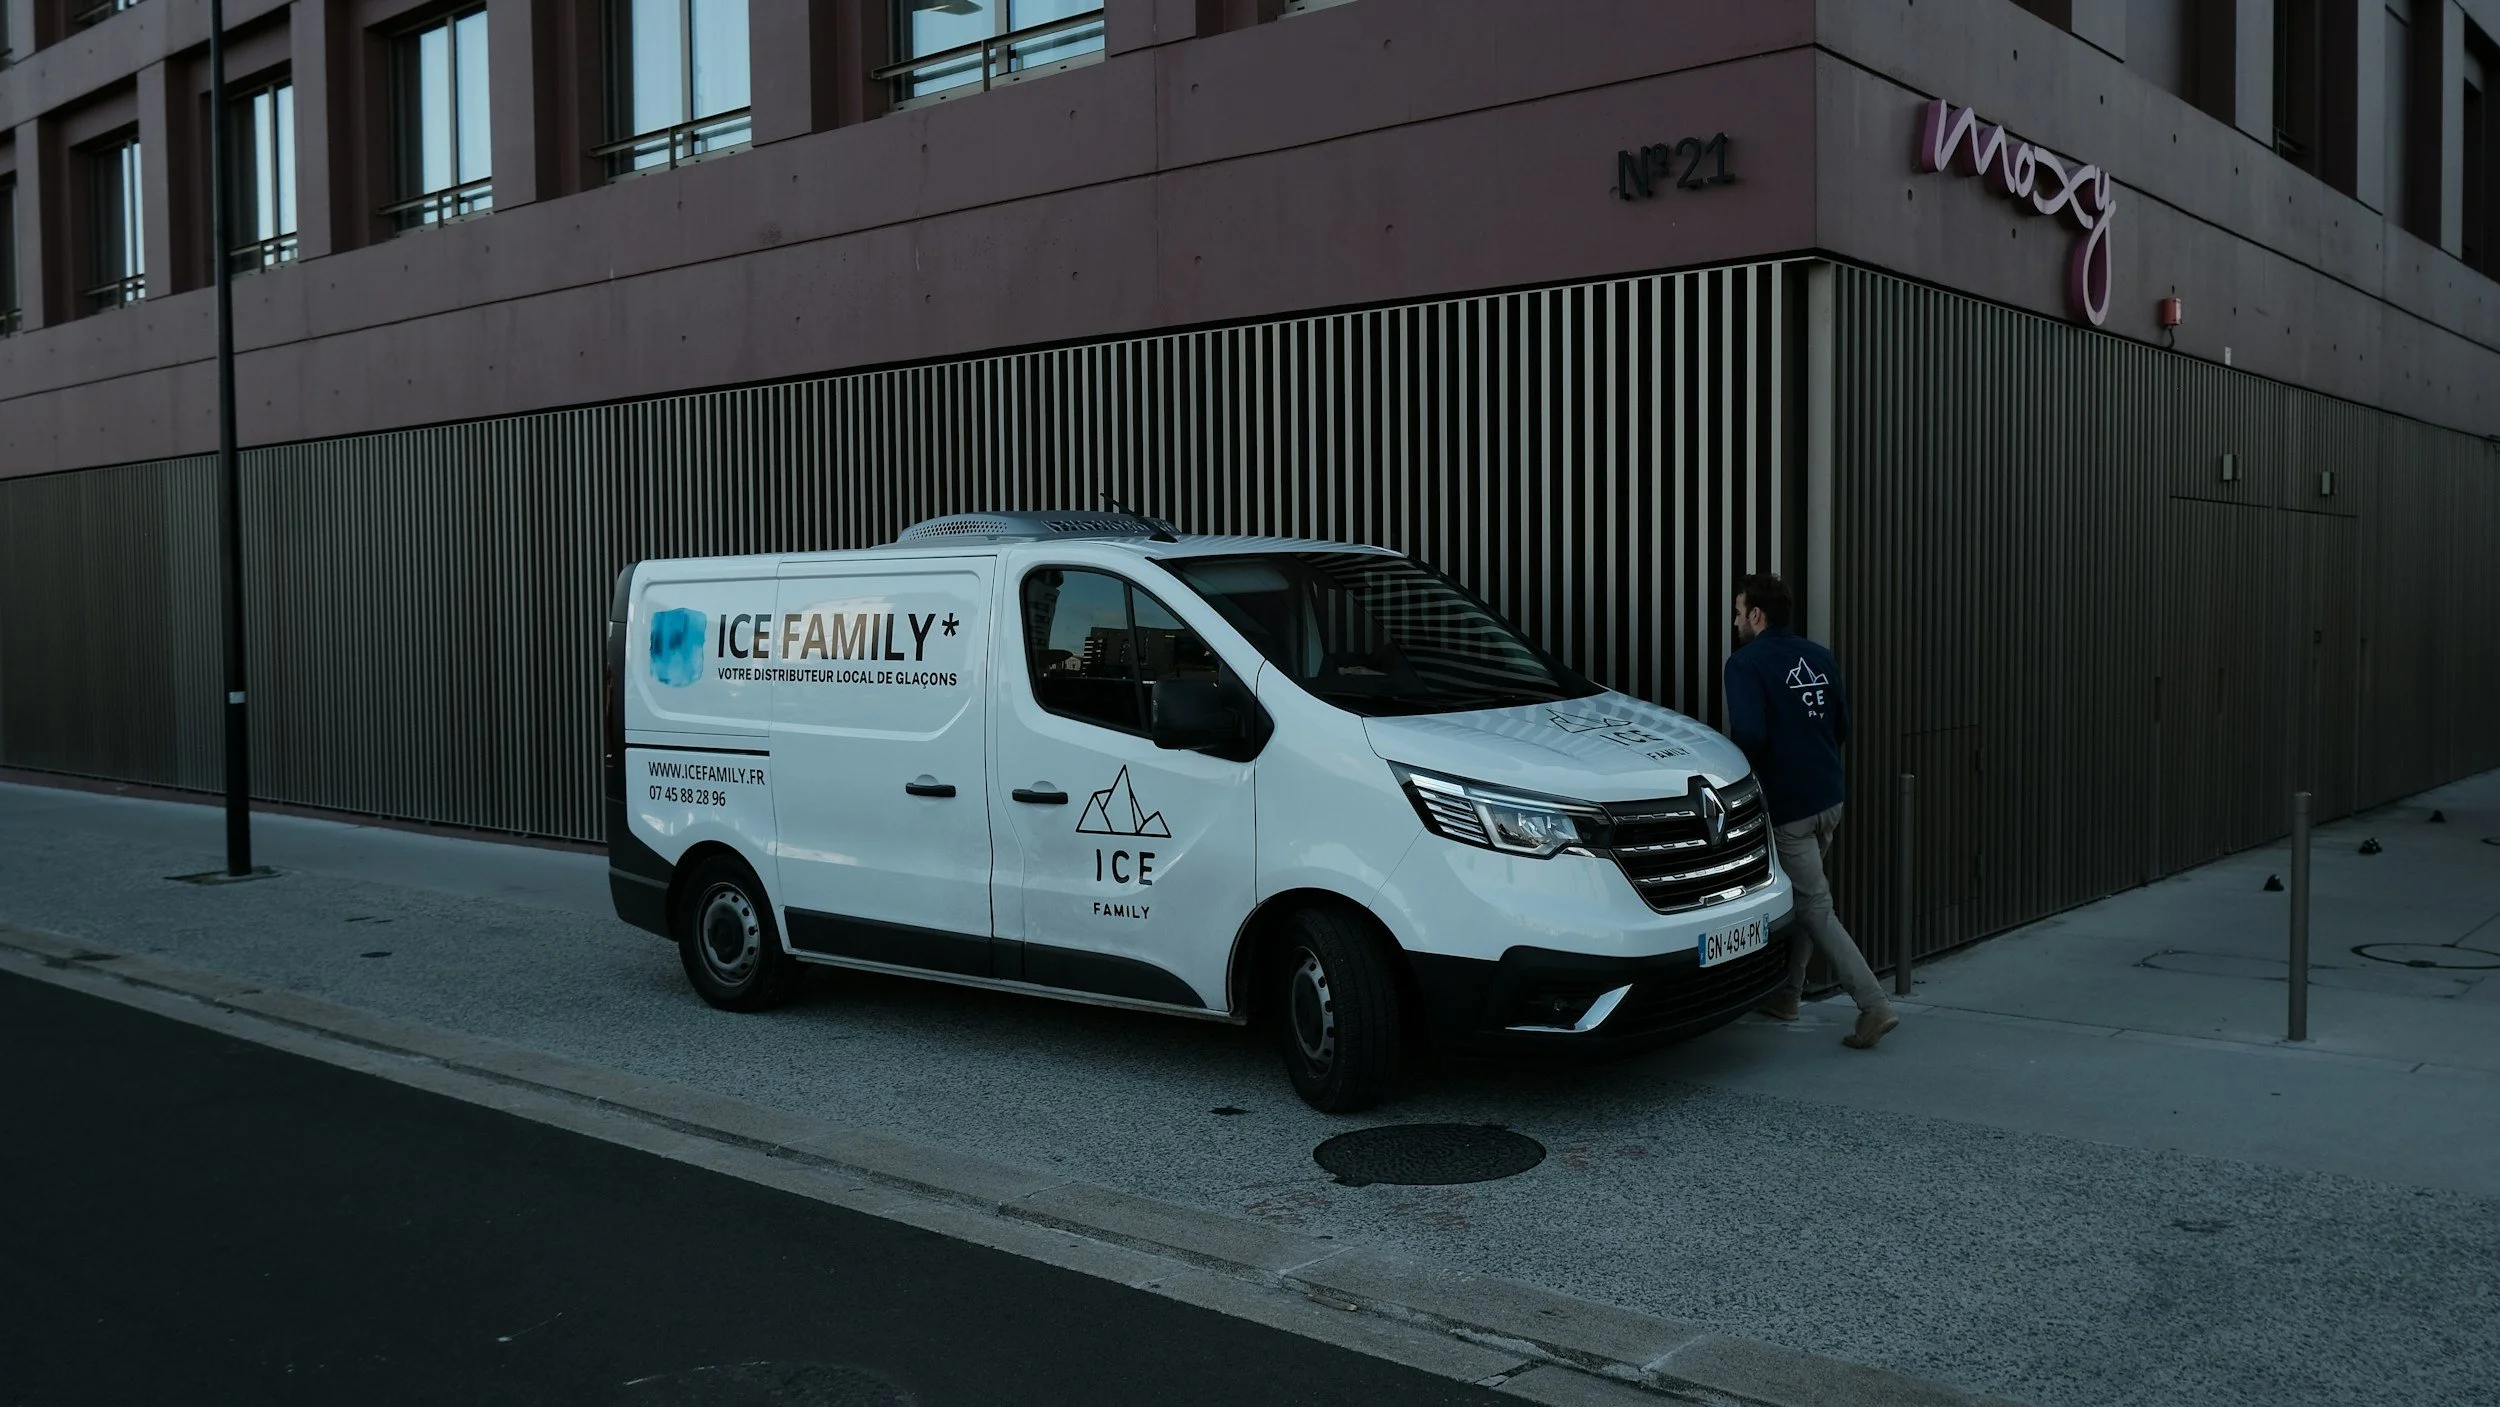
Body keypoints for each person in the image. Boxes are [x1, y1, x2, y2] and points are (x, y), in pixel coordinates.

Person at [1722, 573, 1899, 1050]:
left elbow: (1751, 737)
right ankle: (1787, 995)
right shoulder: (1818, 656)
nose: (1736, 620)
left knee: (1816, 907)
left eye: (1739, 611)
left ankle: (1873, 1005)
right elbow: (1841, 723)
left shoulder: (1745, 663)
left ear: (1756, 615)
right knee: (1807, 899)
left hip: (1789, 806)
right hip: (1828, 797)